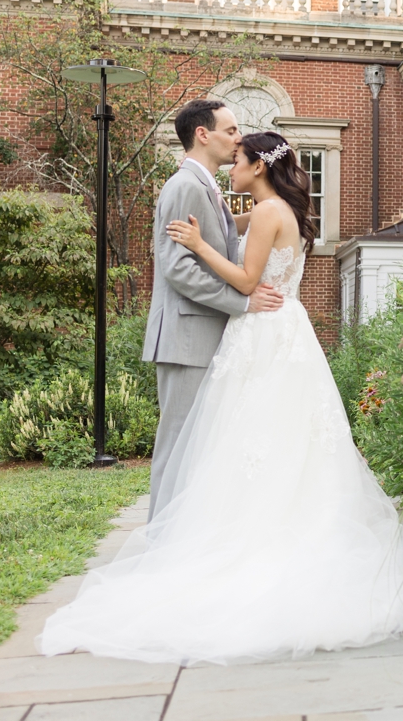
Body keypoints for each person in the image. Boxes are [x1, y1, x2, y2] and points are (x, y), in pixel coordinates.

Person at [39, 129, 403, 664]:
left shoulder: (267, 213)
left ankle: (251, 545)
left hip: (264, 332)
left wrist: (195, 246)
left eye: (239, 161)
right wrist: (215, 218)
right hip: (283, 332)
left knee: (252, 436)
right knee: (281, 441)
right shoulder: (274, 208)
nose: (232, 170)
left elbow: (245, 280)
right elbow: (232, 230)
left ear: (258, 167)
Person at [142, 99, 284, 520]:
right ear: (202, 134)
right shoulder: (185, 185)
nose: (238, 138)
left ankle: (183, 535)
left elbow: (223, 231)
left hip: (203, 336)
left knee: (198, 447)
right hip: (187, 338)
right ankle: (160, 541)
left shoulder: (207, 186)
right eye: (230, 130)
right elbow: (178, 270)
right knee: (177, 446)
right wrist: (242, 302)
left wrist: (275, 206)